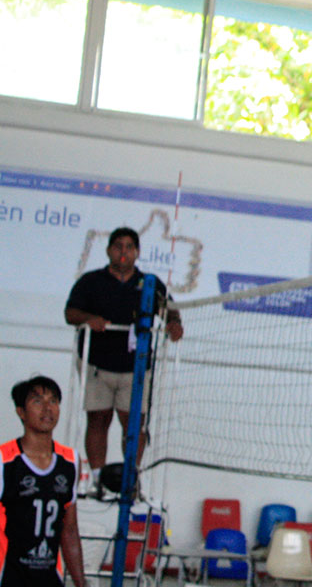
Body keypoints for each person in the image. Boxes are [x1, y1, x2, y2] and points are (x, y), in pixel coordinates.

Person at [64, 227, 183, 477]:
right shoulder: (91, 281)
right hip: (96, 364)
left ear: (137, 252)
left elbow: (170, 310)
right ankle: (98, 478)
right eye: (118, 246)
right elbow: (70, 314)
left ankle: (131, 477)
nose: (123, 251)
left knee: (134, 425)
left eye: (129, 247)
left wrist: (174, 324)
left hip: (136, 368)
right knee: (97, 420)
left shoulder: (149, 283)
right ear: (109, 250)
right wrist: (90, 319)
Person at [1, 376, 87, 587]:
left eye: (53, 401)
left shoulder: (70, 461)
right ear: (21, 411)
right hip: (8, 576)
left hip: (49, 578)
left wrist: (81, 583)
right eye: (38, 401)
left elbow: (69, 530)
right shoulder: (5, 460)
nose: (47, 408)